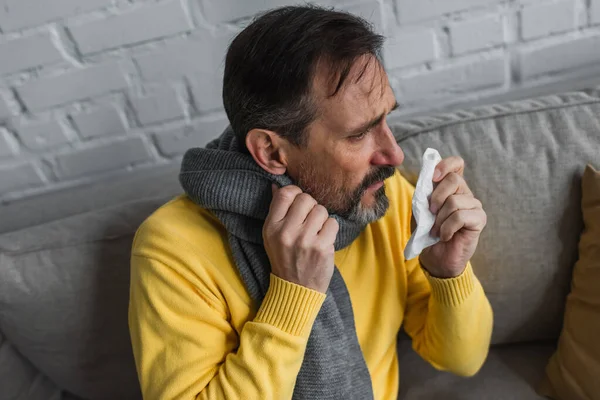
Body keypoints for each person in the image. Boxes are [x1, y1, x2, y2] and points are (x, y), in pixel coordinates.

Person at [128, 5, 493, 400]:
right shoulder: (171, 250)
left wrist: (448, 272)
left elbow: (462, 360)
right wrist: (292, 294)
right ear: (270, 152)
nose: (394, 156)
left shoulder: (387, 202)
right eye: (358, 135)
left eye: (386, 118)